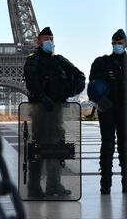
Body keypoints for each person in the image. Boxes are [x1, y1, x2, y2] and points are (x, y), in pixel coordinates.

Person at [23, 26, 86, 197]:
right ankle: (34, 187)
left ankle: (54, 185)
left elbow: (80, 76)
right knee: (38, 148)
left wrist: (69, 92)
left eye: (51, 38)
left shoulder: (60, 60)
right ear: (38, 41)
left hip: (57, 110)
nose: (49, 42)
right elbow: (31, 80)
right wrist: (43, 97)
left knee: (57, 148)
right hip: (40, 111)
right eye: (45, 39)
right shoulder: (32, 60)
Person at [89, 28, 127, 195]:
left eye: (120, 43)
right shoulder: (102, 63)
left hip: (125, 108)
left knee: (125, 145)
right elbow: (93, 86)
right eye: (114, 43)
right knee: (108, 144)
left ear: (126, 44)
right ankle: (105, 182)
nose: (117, 45)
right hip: (108, 108)